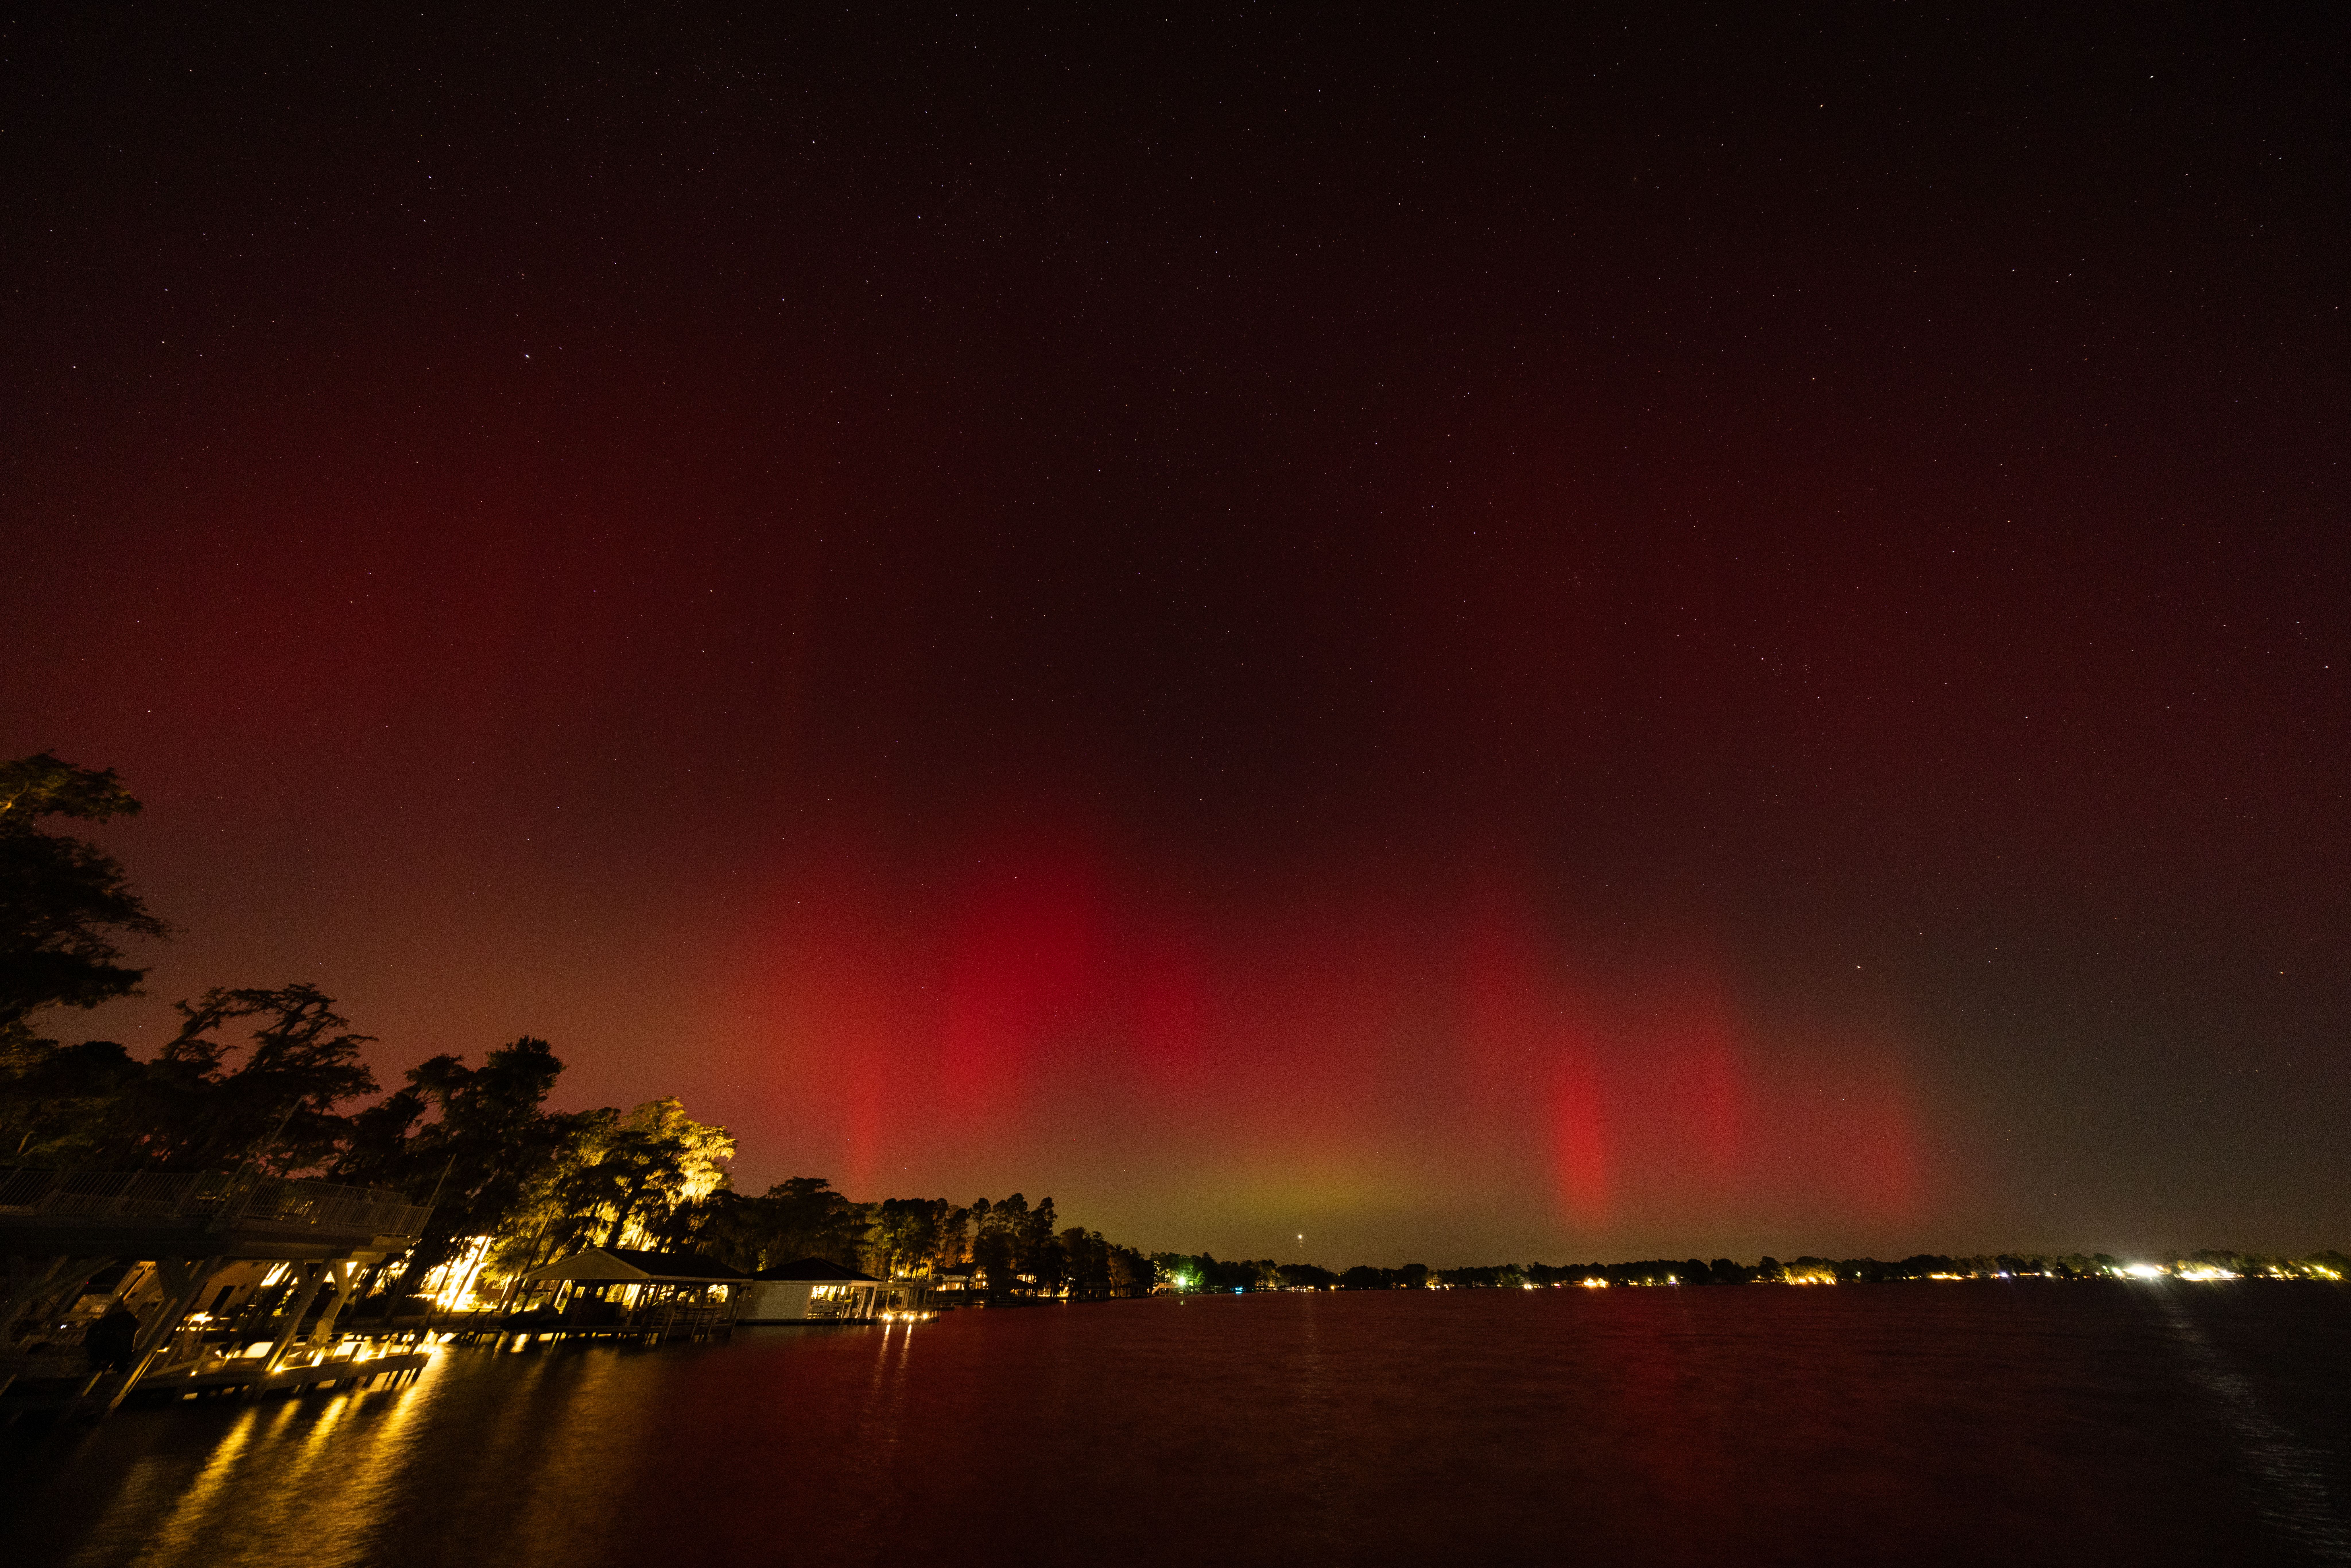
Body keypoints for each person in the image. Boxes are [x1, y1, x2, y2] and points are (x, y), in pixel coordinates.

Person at [85, 1303, 140, 1373]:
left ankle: (122, 1363)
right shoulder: (127, 1325)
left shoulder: (123, 1324)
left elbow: (127, 1341)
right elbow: (127, 1340)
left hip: (98, 1340)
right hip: (99, 1341)